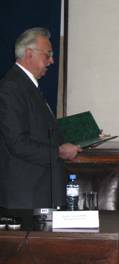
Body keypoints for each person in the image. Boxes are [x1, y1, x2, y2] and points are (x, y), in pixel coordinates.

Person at [0, 27, 81, 209]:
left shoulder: (25, 84)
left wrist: (80, 135)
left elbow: (40, 129)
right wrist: (59, 152)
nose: (51, 61)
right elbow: (18, 143)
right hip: (25, 195)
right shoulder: (11, 88)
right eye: (48, 55)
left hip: (37, 190)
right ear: (29, 53)